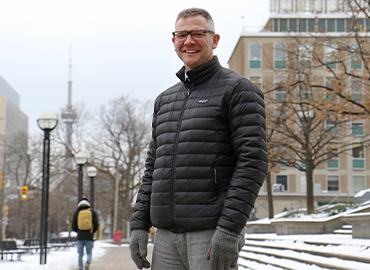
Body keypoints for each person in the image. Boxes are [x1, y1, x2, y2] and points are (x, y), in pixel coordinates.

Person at [130, 7, 267, 270]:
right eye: (182, 34)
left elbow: (253, 163)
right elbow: (153, 169)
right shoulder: (165, 100)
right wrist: (139, 224)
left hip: (211, 233)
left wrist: (230, 229)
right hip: (166, 238)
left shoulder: (239, 90)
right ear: (174, 42)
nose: (188, 41)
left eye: (197, 33)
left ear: (214, 40)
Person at [72, 198, 99, 270]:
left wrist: (79, 231)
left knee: (80, 254)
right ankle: (88, 262)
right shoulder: (92, 212)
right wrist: (91, 231)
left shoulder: (77, 212)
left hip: (80, 236)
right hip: (89, 236)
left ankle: (80, 267)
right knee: (89, 253)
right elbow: (96, 224)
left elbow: (73, 226)